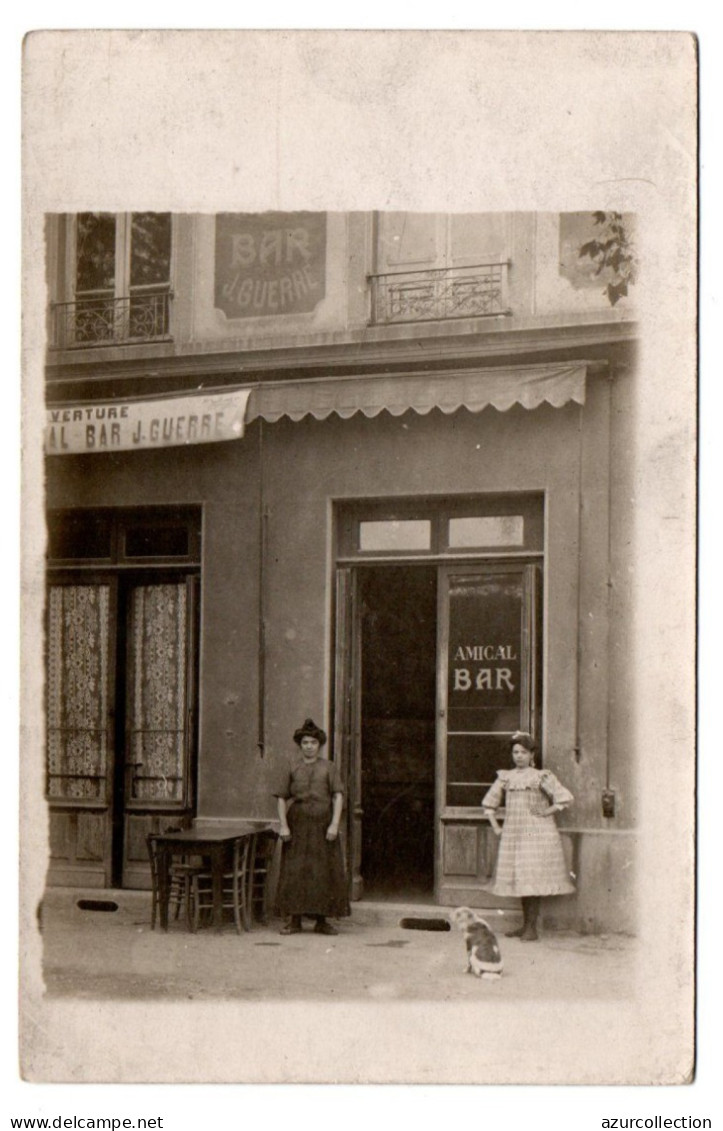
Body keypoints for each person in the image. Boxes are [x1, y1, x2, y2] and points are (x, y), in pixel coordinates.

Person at [482, 731, 574, 942]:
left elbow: (565, 798)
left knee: (532, 877)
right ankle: (525, 926)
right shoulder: (506, 777)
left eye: (523, 752)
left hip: (537, 833)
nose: (519, 756)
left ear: (532, 754)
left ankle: (532, 928)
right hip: (515, 833)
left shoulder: (541, 776)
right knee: (521, 878)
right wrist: (497, 827)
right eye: (515, 752)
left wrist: (547, 811)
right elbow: (489, 803)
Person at [273, 718, 350, 936]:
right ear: (300, 745)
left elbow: (338, 795)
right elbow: (281, 798)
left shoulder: (329, 767)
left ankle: (322, 921)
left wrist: (334, 824)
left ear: (319, 745)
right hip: (297, 824)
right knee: (295, 871)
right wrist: (284, 826)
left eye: (313, 743)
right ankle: (294, 920)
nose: (309, 746)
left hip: (323, 824)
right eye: (305, 742)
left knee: (323, 871)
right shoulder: (292, 766)